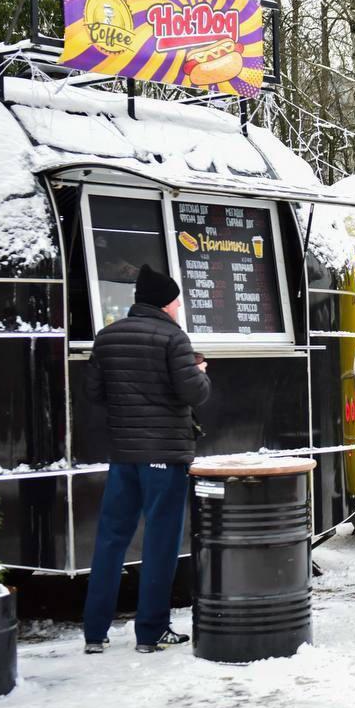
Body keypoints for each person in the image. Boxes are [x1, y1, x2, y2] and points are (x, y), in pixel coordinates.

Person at [83, 264, 211, 654]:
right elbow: (195, 394)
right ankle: (150, 632)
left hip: (124, 455)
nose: (178, 308)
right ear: (165, 303)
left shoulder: (107, 337)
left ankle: (94, 633)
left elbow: (95, 392)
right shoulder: (173, 338)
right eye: (175, 301)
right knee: (160, 542)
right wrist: (201, 371)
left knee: (110, 539)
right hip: (165, 457)